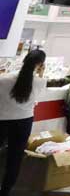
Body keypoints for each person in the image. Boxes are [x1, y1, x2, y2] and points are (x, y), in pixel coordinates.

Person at [0, 50, 47, 196]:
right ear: (40, 64)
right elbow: (39, 98)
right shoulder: (40, 82)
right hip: (24, 121)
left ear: (24, 60)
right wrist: (41, 74)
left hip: (2, 120)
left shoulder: (4, 79)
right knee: (15, 158)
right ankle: (5, 191)